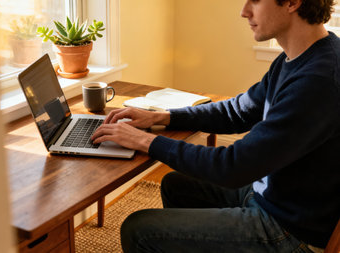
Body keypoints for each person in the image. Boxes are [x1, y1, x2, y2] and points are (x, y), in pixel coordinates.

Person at [91, 0, 340, 251]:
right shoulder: (299, 56)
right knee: (176, 185)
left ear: (292, 3)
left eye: (255, 0)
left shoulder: (318, 80)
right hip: (272, 196)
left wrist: (144, 141)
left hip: (289, 229)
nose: (244, 12)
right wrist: (163, 117)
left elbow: (233, 167)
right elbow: (238, 110)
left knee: (138, 230)